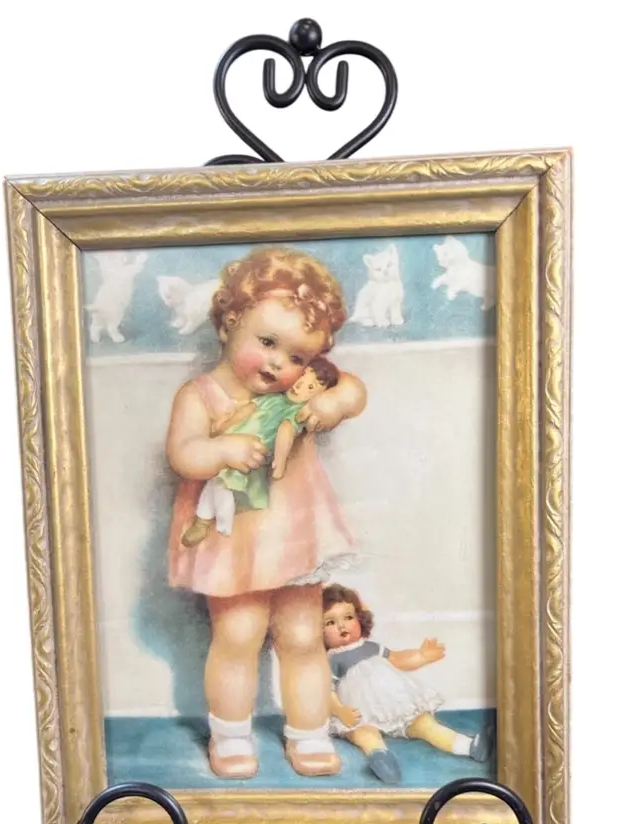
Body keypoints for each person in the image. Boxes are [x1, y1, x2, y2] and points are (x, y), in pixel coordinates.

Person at [166, 246, 367, 779]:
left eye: (298, 357)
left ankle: (309, 732)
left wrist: (332, 403)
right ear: (230, 323)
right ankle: (231, 735)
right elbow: (183, 453)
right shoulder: (201, 394)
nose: (280, 364)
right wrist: (221, 449)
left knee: (302, 637)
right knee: (238, 635)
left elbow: (352, 389)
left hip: (295, 538)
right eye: (268, 343)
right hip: (231, 542)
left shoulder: (299, 394)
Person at [323, 583, 495, 784]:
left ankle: (467, 746)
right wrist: (340, 710)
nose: (342, 626)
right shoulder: (332, 660)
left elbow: (398, 659)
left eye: (348, 617)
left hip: (394, 705)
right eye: (331, 622)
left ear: (360, 618)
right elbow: (326, 690)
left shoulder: (372, 647)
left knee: (423, 724)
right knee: (364, 733)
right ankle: (379, 756)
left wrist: (422, 656)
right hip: (359, 711)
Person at [181, 357, 339, 547]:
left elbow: (285, 432)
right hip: (230, 442)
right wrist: (225, 426)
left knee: (223, 483)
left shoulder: (296, 413)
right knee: (217, 481)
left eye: (310, 387)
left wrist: (280, 462)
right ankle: (209, 524)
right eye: (302, 377)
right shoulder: (273, 398)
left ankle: (221, 525)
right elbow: (247, 410)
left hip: (250, 452)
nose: (300, 386)